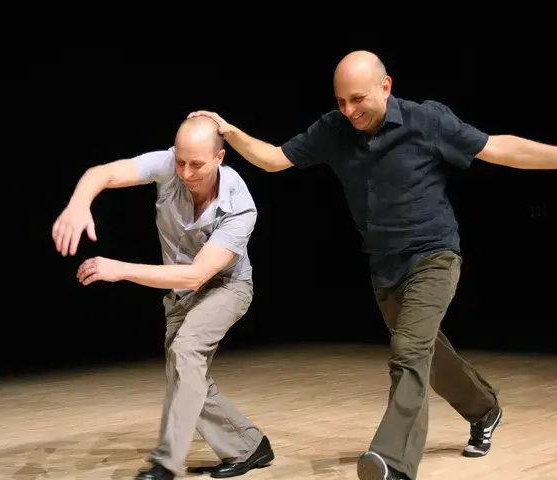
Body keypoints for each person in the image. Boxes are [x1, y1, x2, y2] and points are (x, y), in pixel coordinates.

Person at [188, 50, 557, 480]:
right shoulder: (333, 129)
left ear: (386, 86)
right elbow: (273, 160)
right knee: (429, 356)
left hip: (434, 257)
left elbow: (499, 149)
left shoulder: (427, 120)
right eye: (341, 101)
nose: (349, 111)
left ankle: (393, 463)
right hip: (385, 268)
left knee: (408, 353)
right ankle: (485, 409)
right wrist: (230, 132)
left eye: (358, 99)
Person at [51, 116, 275, 480]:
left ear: (220, 157)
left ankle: (166, 463)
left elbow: (197, 274)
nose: (185, 172)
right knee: (184, 371)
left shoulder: (240, 206)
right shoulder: (170, 164)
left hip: (226, 287)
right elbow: (102, 173)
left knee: (186, 354)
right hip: (179, 292)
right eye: (180, 161)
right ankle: (248, 446)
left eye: (196, 164)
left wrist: (119, 269)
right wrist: (79, 203)